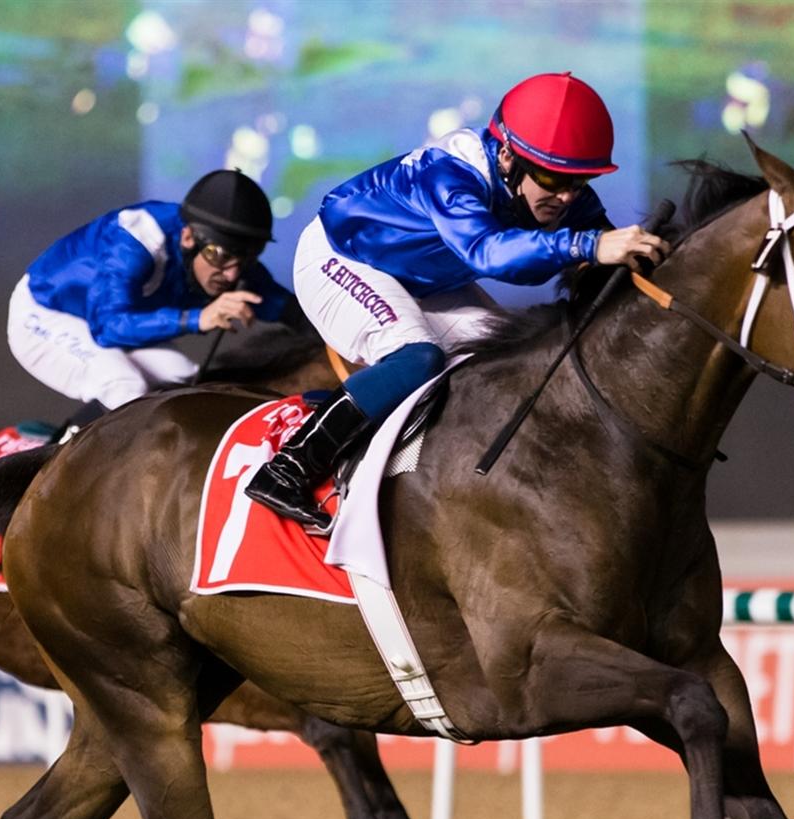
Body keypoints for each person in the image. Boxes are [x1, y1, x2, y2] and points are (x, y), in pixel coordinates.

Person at [245, 72, 668, 529]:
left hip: (425, 278)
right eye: (551, 177)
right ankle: (289, 468)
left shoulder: (553, 187)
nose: (565, 195)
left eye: (579, 180)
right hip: (342, 257)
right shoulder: (453, 173)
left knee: (507, 363)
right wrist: (588, 246)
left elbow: (601, 251)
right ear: (507, 155)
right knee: (417, 358)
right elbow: (489, 254)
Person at [8, 169, 298, 437]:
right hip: (44, 312)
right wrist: (198, 318)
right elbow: (108, 328)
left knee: (183, 379)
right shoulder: (136, 241)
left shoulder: (225, 257)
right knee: (123, 386)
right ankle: (54, 461)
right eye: (220, 256)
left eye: (246, 259)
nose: (232, 274)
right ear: (188, 237)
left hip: (109, 320)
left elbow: (283, 306)